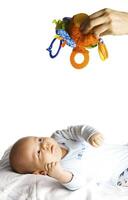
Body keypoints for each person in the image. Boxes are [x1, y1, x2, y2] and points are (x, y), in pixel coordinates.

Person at [9, 125, 128, 191]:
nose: (44, 144)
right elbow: (78, 183)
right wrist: (60, 175)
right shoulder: (61, 170)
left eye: (39, 139)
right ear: (41, 172)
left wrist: (91, 134)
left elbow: (76, 130)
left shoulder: (59, 138)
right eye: (39, 152)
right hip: (119, 173)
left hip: (119, 151)